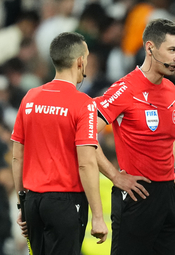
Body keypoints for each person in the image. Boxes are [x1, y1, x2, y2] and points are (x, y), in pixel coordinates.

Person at [11, 32, 108, 255]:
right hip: (66, 202)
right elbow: (86, 163)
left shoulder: (30, 97)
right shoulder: (83, 103)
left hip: (33, 202)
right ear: (80, 61)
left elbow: (18, 156)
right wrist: (98, 217)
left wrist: (22, 205)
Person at [94, 18, 175, 255]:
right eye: (173, 50)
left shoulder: (171, 89)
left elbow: (168, 139)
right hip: (137, 193)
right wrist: (115, 175)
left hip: (167, 195)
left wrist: (170, 174)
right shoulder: (124, 89)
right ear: (150, 48)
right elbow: (84, 135)